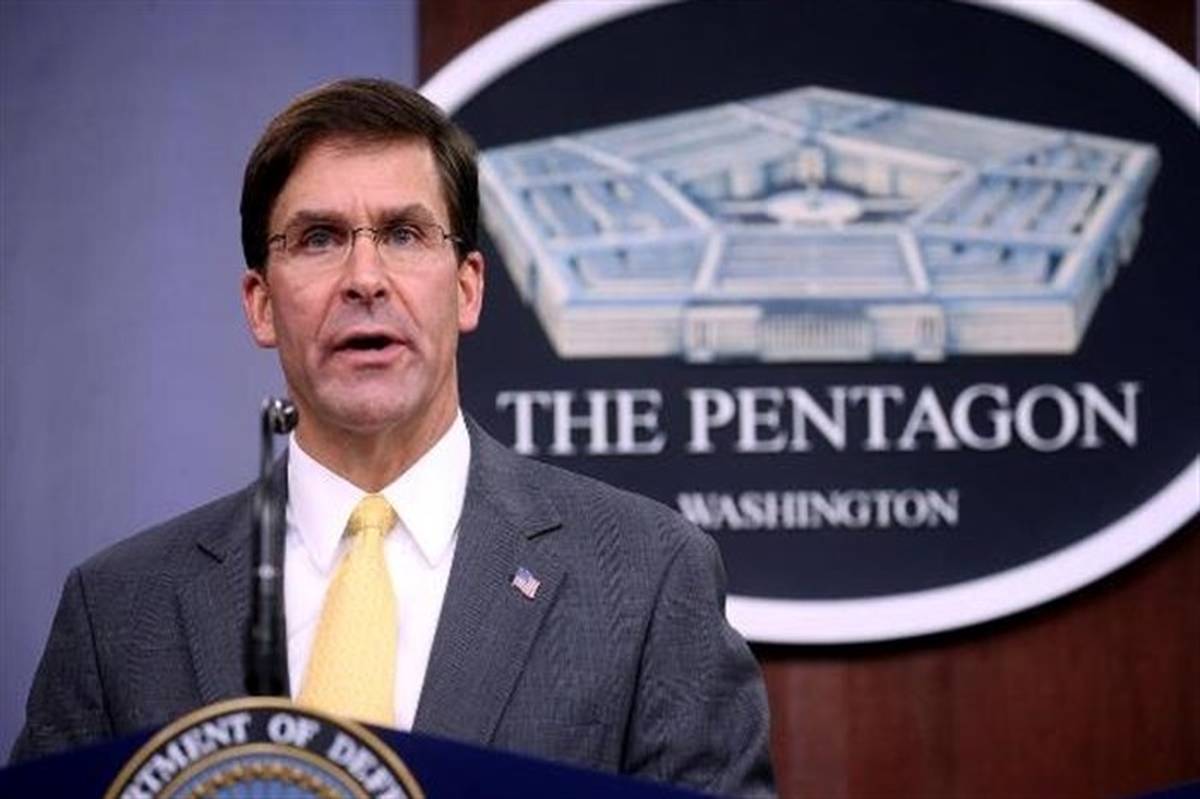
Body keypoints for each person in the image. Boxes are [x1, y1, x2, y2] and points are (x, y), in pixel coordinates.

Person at [11, 78, 775, 795]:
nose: (365, 278)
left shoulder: (646, 577)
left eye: (404, 234)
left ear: (467, 287)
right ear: (261, 304)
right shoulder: (119, 609)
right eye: (319, 238)